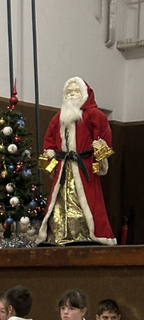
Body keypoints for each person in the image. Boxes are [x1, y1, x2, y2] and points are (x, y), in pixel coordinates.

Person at [37, 77, 115, 246]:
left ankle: (85, 234)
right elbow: (49, 138)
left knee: (87, 202)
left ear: (84, 94)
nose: (72, 94)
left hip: (83, 165)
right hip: (63, 168)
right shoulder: (58, 117)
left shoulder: (94, 115)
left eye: (76, 91)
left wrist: (99, 150)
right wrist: (49, 153)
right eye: (69, 91)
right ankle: (58, 235)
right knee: (58, 203)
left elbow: (103, 138)